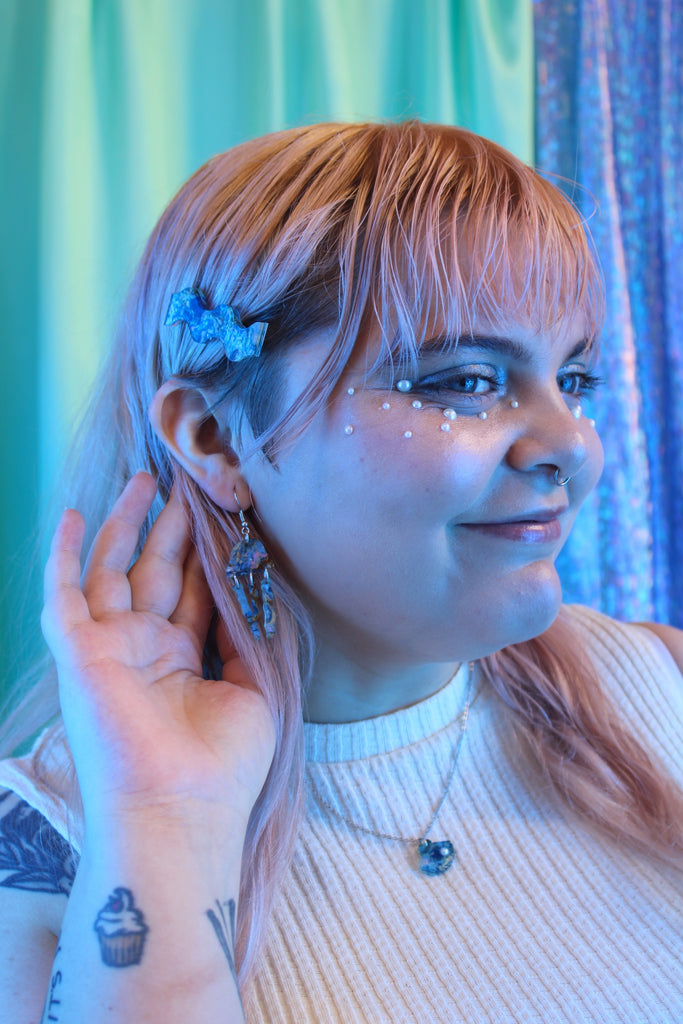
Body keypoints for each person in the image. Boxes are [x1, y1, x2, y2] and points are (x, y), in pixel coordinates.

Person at [0, 121, 681, 1023]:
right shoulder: (50, 843)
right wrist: (167, 820)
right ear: (214, 439)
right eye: (466, 380)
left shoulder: (658, 684)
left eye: (575, 380)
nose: (573, 447)